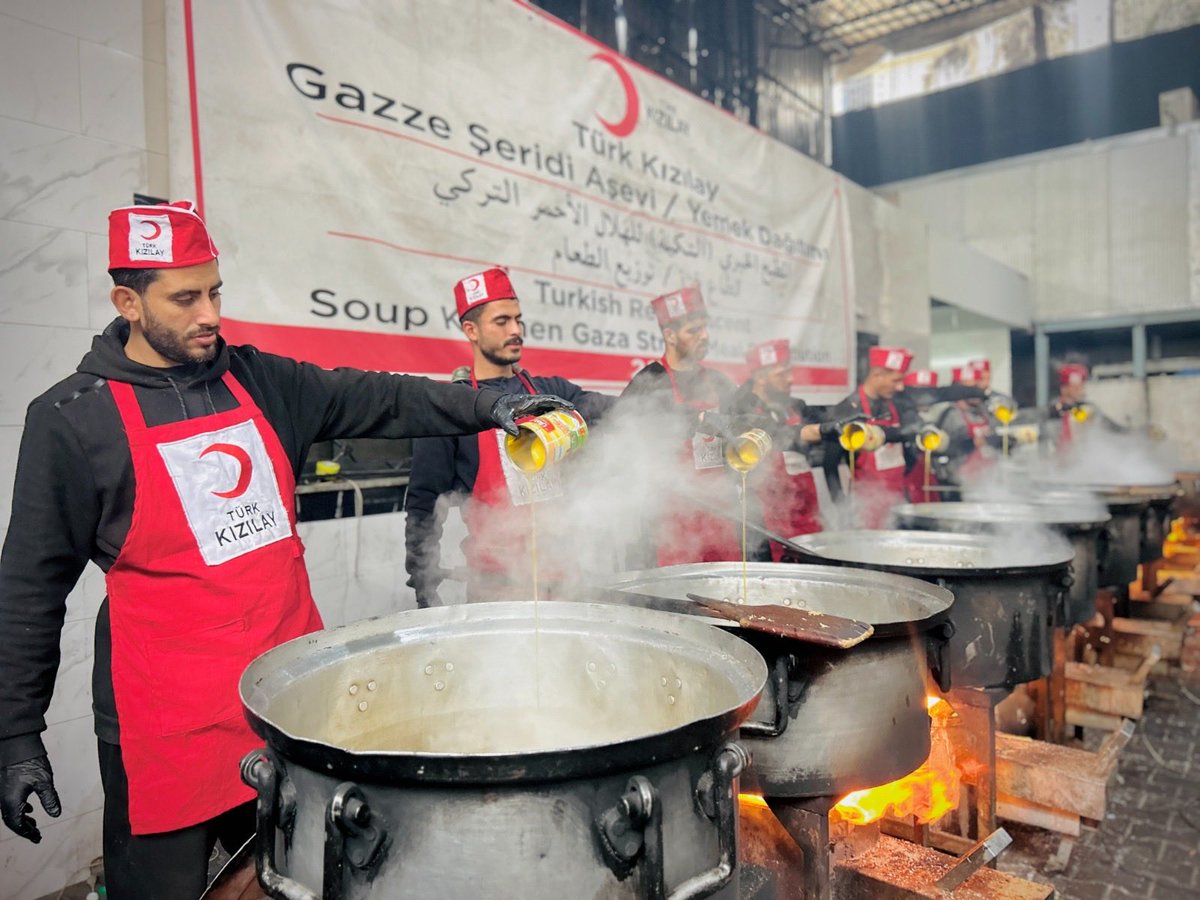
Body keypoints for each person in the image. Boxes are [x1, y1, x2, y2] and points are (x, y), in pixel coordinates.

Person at [0, 201, 568, 897]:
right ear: (129, 301)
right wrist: (15, 732)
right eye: (185, 298)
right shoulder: (72, 418)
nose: (210, 312)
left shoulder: (259, 381)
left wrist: (489, 407)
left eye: (215, 290)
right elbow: (29, 588)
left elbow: (383, 399)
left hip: (289, 701)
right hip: (165, 726)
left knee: (296, 882)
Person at [404, 267, 614, 606]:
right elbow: (425, 502)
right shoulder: (451, 407)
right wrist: (424, 586)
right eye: (502, 322)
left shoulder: (550, 391)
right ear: (470, 330)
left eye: (518, 320)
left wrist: (695, 417)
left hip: (567, 580)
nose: (516, 330)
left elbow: (617, 409)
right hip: (497, 590)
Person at [620, 286, 744, 565]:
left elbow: (740, 433)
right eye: (694, 330)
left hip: (720, 515)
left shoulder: (720, 383)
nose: (705, 336)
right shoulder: (647, 383)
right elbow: (623, 449)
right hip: (669, 521)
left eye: (705, 328)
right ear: (670, 335)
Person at [728, 339, 854, 557]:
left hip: (804, 504)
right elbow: (778, 434)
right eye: (781, 374)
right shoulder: (741, 405)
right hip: (766, 509)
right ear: (760, 376)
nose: (791, 379)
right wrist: (819, 430)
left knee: (813, 557)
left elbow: (825, 423)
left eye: (790, 371)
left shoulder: (795, 405)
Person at [825, 346, 918, 525]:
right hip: (866, 506)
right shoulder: (846, 409)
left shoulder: (895, 404)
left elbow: (908, 439)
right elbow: (829, 466)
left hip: (897, 501)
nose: (899, 387)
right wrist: (842, 507)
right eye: (895, 380)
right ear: (877, 375)